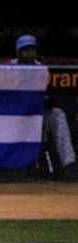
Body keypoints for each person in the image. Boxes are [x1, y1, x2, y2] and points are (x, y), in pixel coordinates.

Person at [10, 35, 76, 174]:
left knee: (58, 114)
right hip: (16, 115)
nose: (29, 54)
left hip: (37, 113)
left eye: (32, 50)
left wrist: (48, 101)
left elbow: (49, 93)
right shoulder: (9, 68)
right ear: (18, 52)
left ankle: (69, 163)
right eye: (25, 50)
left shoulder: (42, 69)